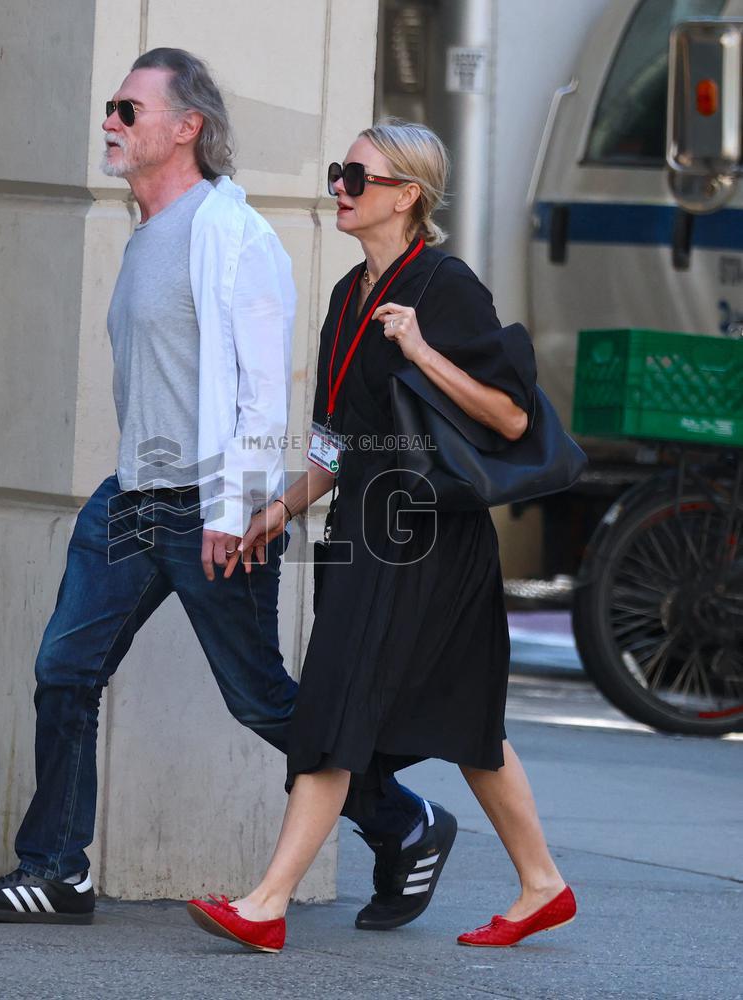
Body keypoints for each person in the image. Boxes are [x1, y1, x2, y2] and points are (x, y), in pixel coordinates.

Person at [0, 51, 440, 926]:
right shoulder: (146, 234)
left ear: (187, 127)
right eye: (112, 109)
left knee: (262, 700)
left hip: (207, 507)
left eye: (128, 110)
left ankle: (405, 822)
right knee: (65, 668)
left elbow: (259, 387)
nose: (111, 123)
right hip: (134, 498)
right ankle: (56, 870)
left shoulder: (230, 233)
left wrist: (232, 507)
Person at [187, 119, 576, 953]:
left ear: (408, 194)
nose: (340, 189)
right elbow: (336, 437)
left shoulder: (446, 286)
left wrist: (422, 349)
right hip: (363, 533)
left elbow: (509, 414)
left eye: (357, 178)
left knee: (334, 703)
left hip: (431, 541)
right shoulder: (346, 295)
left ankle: (266, 903)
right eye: (339, 173)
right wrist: (280, 509)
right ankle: (542, 883)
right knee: (469, 721)